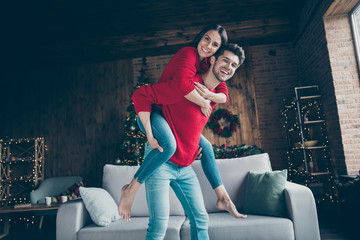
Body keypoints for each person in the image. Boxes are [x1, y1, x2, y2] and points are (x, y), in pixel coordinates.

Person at [118, 24, 246, 221]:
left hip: (166, 115)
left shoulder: (206, 66)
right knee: (169, 145)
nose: (208, 45)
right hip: (152, 110)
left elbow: (222, 86)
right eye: (206, 39)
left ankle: (223, 198)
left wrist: (217, 98)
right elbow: (183, 85)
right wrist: (204, 100)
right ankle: (131, 189)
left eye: (214, 44)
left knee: (207, 148)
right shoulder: (189, 54)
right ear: (200, 38)